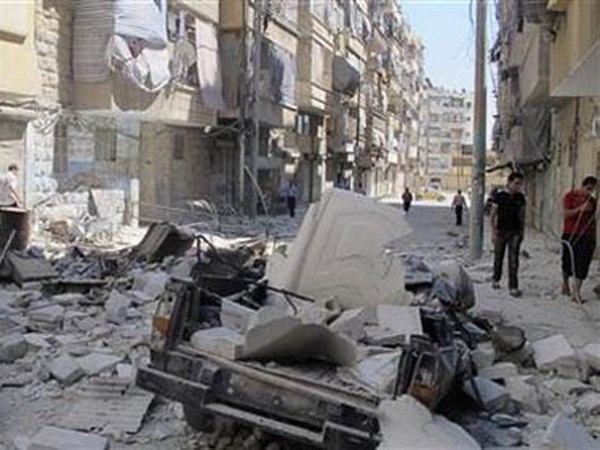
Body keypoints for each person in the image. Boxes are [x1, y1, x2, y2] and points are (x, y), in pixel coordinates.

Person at [561, 176, 598, 303]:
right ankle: (565, 284)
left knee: (583, 263)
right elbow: (566, 213)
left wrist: (593, 238)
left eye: (592, 190)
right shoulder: (570, 196)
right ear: (582, 186)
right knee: (567, 261)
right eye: (588, 189)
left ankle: (576, 292)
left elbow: (593, 220)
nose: (589, 192)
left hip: (586, 235)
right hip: (570, 233)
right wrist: (580, 209)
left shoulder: (592, 201)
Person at [490, 172, 526, 297]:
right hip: (501, 231)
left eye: (520, 184)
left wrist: (522, 232)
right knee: (498, 257)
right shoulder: (500, 196)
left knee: (513, 259)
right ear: (509, 183)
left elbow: (522, 216)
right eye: (516, 183)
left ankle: (513, 286)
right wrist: (493, 232)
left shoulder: (520, 198)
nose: (518, 186)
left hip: (515, 232)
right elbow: (493, 215)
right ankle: (496, 279)